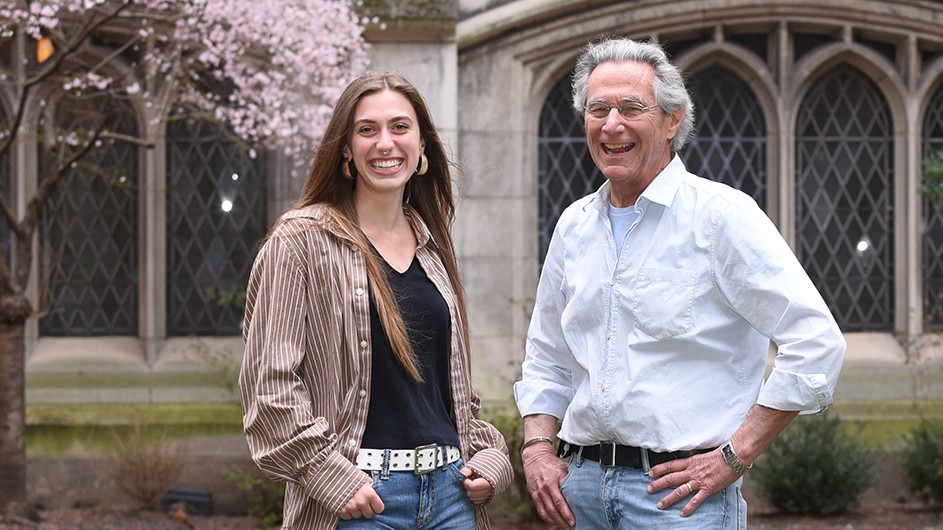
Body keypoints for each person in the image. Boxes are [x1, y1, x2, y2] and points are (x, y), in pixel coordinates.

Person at [514, 37, 846, 529]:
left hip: (678, 502)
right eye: (598, 109)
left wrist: (736, 455)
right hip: (578, 494)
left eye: (631, 108)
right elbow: (547, 356)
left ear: (672, 120)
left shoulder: (721, 218)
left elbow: (816, 342)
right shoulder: (573, 225)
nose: (612, 125)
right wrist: (538, 449)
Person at [239, 71, 513, 529]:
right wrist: (330, 477)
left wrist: (492, 459)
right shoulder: (300, 241)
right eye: (368, 130)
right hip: (363, 500)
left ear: (422, 144)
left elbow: (448, 396)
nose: (385, 143)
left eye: (400, 127)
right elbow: (269, 390)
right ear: (345, 148)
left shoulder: (433, 247)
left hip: (451, 497)